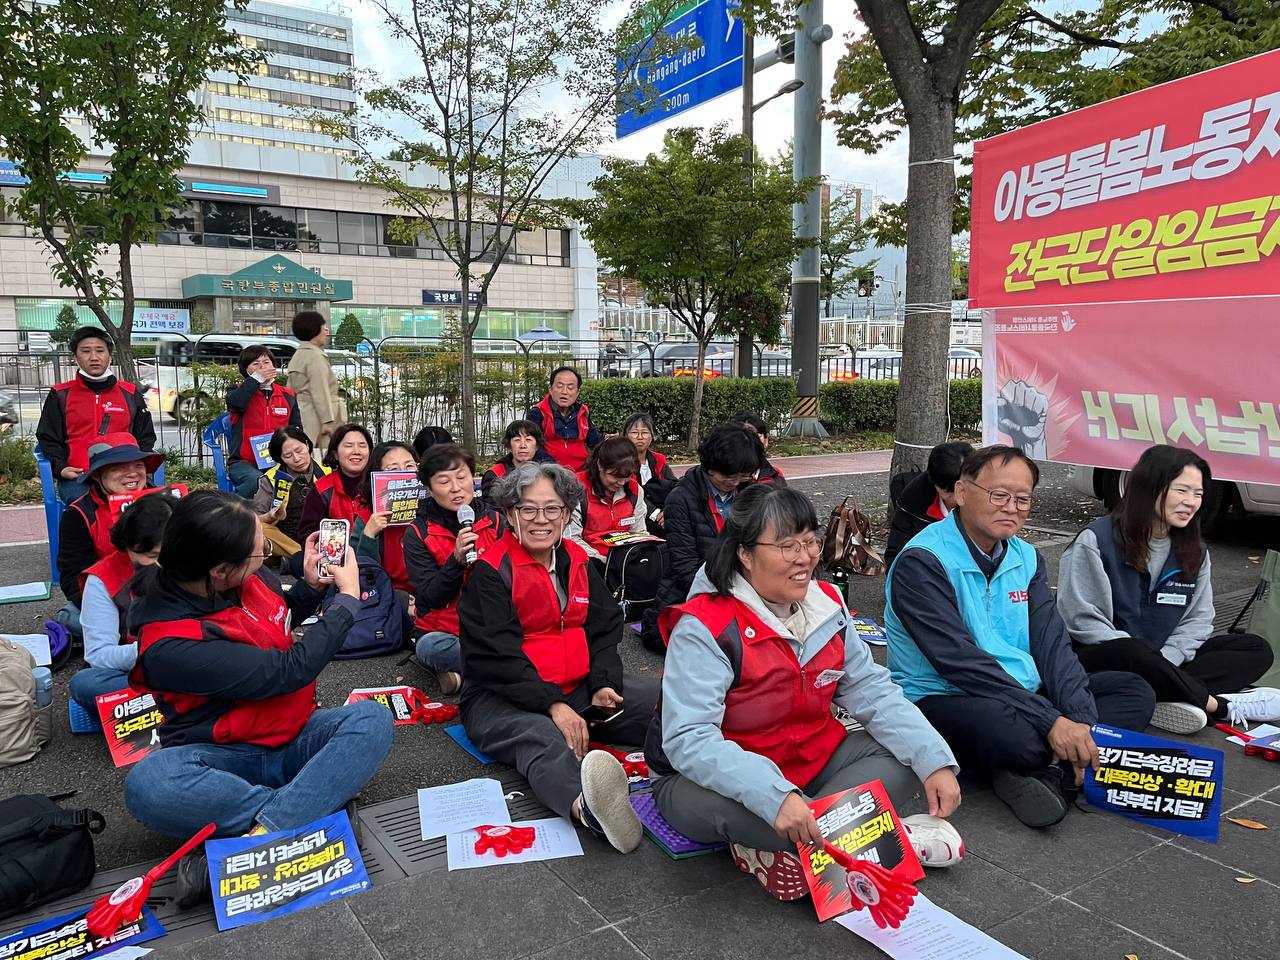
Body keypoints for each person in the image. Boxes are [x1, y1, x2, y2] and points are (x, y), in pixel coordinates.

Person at [647, 485, 963, 899]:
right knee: (763, 815)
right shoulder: (705, 626)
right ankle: (855, 832)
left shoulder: (827, 603)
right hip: (704, 780)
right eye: (786, 546)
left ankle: (807, 842)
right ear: (744, 553)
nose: (806, 557)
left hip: (810, 760)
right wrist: (772, 795)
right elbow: (690, 740)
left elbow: (870, 688)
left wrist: (933, 760)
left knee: (906, 759)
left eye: (811, 541)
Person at [885, 446, 1156, 829]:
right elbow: (959, 663)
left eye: (1022, 499)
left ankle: (1038, 769)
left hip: (1021, 692)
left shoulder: (1026, 557)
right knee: (1009, 733)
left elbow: (1051, 643)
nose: (1011, 507)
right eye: (999, 495)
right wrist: (1050, 721)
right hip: (945, 696)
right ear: (962, 493)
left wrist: (1076, 721)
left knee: (1133, 691)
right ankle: (1046, 762)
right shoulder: (923, 560)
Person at [123, 491, 393, 849]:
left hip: (294, 735)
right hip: (225, 758)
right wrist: (347, 600)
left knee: (372, 719)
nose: (266, 554)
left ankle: (279, 816)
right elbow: (288, 671)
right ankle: (300, 810)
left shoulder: (246, 577)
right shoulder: (169, 645)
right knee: (150, 784)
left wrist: (310, 589)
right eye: (260, 549)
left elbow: (276, 620)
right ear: (219, 570)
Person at [457, 462, 659, 853]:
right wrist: (552, 704)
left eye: (552, 509)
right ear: (510, 516)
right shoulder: (489, 572)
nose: (540, 519)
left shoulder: (579, 561)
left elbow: (603, 632)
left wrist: (603, 683)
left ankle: (697, 762)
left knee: (661, 701)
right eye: (527, 509)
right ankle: (589, 808)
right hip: (501, 698)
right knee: (542, 738)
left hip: (578, 687)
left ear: (567, 515)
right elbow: (496, 659)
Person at [1058, 444, 1278, 733]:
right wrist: (1150, 660)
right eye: (1181, 491)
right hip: (1104, 657)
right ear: (1149, 489)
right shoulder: (1096, 540)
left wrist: (1165, 660)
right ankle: (1218, 706)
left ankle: (1162, 696)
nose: (1191, 502)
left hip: (1164, 659)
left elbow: (1198, 621)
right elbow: (1082, 620)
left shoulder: (1195, 550)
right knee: (1134, 651)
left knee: (1255, 649)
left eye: (1198, 494)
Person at [641, 423, 762, 654]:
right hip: (699, 591)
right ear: (710, 467)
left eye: (743, 475)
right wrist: (735, 593)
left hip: (749, 588)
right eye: (729, 476)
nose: (735, 481)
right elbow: (685, 568)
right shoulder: (681, 499)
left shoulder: (750, 492)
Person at [405, 443, 503, 695]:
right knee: (430, 647)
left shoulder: (496, 521)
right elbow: (429, 597)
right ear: (428, 488)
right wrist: (456, 560)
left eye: (462, 477)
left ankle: (468, 672)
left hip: (493, 625)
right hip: (447, 630)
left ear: (473, 477)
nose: (456, 488)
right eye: (444, 481)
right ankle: (503, 669)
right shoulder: (418, 533)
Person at [69, 492, 174, 714]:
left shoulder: (196, 562)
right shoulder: (102, 579)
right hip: (143, 667)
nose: (163, 564)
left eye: (170, 553)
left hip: (197, 663)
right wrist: (158, 651)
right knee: (85, 683)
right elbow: (98, 655)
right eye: (152, 555)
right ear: (128, 546)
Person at [57, 434, 165, 638]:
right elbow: (72, 577)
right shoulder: (78, 515)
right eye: (119, 467)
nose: (132, 474)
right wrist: (114, 606)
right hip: (111, 594)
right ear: (97, 475)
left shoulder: (166, 501)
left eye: (138, 465)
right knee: (71, 617)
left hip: (165, 591)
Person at [37, 326, 155, 503]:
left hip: (124, 474)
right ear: (75, 357)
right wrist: (61, 468)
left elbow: (145, 438)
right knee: (87, 507)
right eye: (85, 351)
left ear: (109, 356)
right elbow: (48, 438)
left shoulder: (130, 394)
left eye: (100, 350)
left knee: (152, 505)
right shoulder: (60, 395)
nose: (94, 357)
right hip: (80, 475)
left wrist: (137, 470)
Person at [225, 345, 302, 498]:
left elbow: (297, 430)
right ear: (246, 370)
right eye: (255, 364)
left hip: (279, 462)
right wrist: (256, 380)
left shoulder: (288, 395)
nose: (262, 367)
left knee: (298, 482)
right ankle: (240, 515)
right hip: (244, 463)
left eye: (266, 362)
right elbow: (236, 403)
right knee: (257, 482)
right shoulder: (236, 391)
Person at [252, 426, 331, 574]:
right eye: (288, 456)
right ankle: (302, 556)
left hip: (322, 537)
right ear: (280, 458)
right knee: (255, 528)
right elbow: (254, 519)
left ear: (307, 445)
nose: (296, 459)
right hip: (285, 539)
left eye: (299, 450)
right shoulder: (270, 479)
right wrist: (271, 516)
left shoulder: (328, 472)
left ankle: (290, 560)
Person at [884, 441, 975, 568]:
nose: (961, 499)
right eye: (952, 493)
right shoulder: (913, 501)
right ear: (936, 484)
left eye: (968, 490)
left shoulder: (992, 497)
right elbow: (896, 557)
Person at [568, 437, 649, 561]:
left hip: (625, 560)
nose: (621, 482)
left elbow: (639, 533)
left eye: (627, 476)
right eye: (616, 476)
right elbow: (571, 539)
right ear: (600, 465)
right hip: (589, 559)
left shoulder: (635, 490)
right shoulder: (576, 488)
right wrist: (601, 560)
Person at [356, 440, 419, 594]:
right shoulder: (366, 517)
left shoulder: (432, 509)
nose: (404, 473)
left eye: (409, 466)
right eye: (394, 469)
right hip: (386, 599)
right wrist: (369, 535)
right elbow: (360, 576)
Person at [297, 423, 373, 545]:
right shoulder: (321, 489)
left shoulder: (379, 486)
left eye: (362, 446)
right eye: (349, 446)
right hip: (334, 559)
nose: (356, 451)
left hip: (375, 557)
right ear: (335, 454)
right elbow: (307, 534)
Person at [286, 310, 346, 451]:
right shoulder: (315, 357)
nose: (326, 332)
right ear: (314, 331)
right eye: (323, 328)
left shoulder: (299, 355)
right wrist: (327, 421)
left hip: (303, 414)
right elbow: (320, 390)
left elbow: (290, 390)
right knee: (323, 457)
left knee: (305, 452)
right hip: (318, 418)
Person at [525, 367, 603, 471]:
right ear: (550, 389)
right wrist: (555, 469)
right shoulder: (537, 413)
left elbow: (595, 442)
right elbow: (533, 447)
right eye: (560, 386)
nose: (564, 392)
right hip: (548, 472)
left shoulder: (583, 413)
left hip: (581, 472)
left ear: (577, 392)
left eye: (570, 388)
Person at [622, 413, 677, 534]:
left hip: (664, 511)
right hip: (634, 513)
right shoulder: (621, 462)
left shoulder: (659, 460)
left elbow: (675, 486)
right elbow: (630, 492)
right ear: (626, 436)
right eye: (635, 432)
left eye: (645, 433)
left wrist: (669, 511)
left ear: (651, 437)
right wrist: (657, 514)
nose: (640, 437)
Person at [480, 419, 555, 504]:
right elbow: (491, 508)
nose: (523, 445)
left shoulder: (547, 473)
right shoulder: (495, 474)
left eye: (528, 440)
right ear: (509, 446)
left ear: (537, 446)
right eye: (517, 440)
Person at [731, 411, 786, 486]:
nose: (750, 441)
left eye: (756, 436)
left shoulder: (775, 475)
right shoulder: (723, 481)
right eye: (742, 437)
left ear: (766, 440)